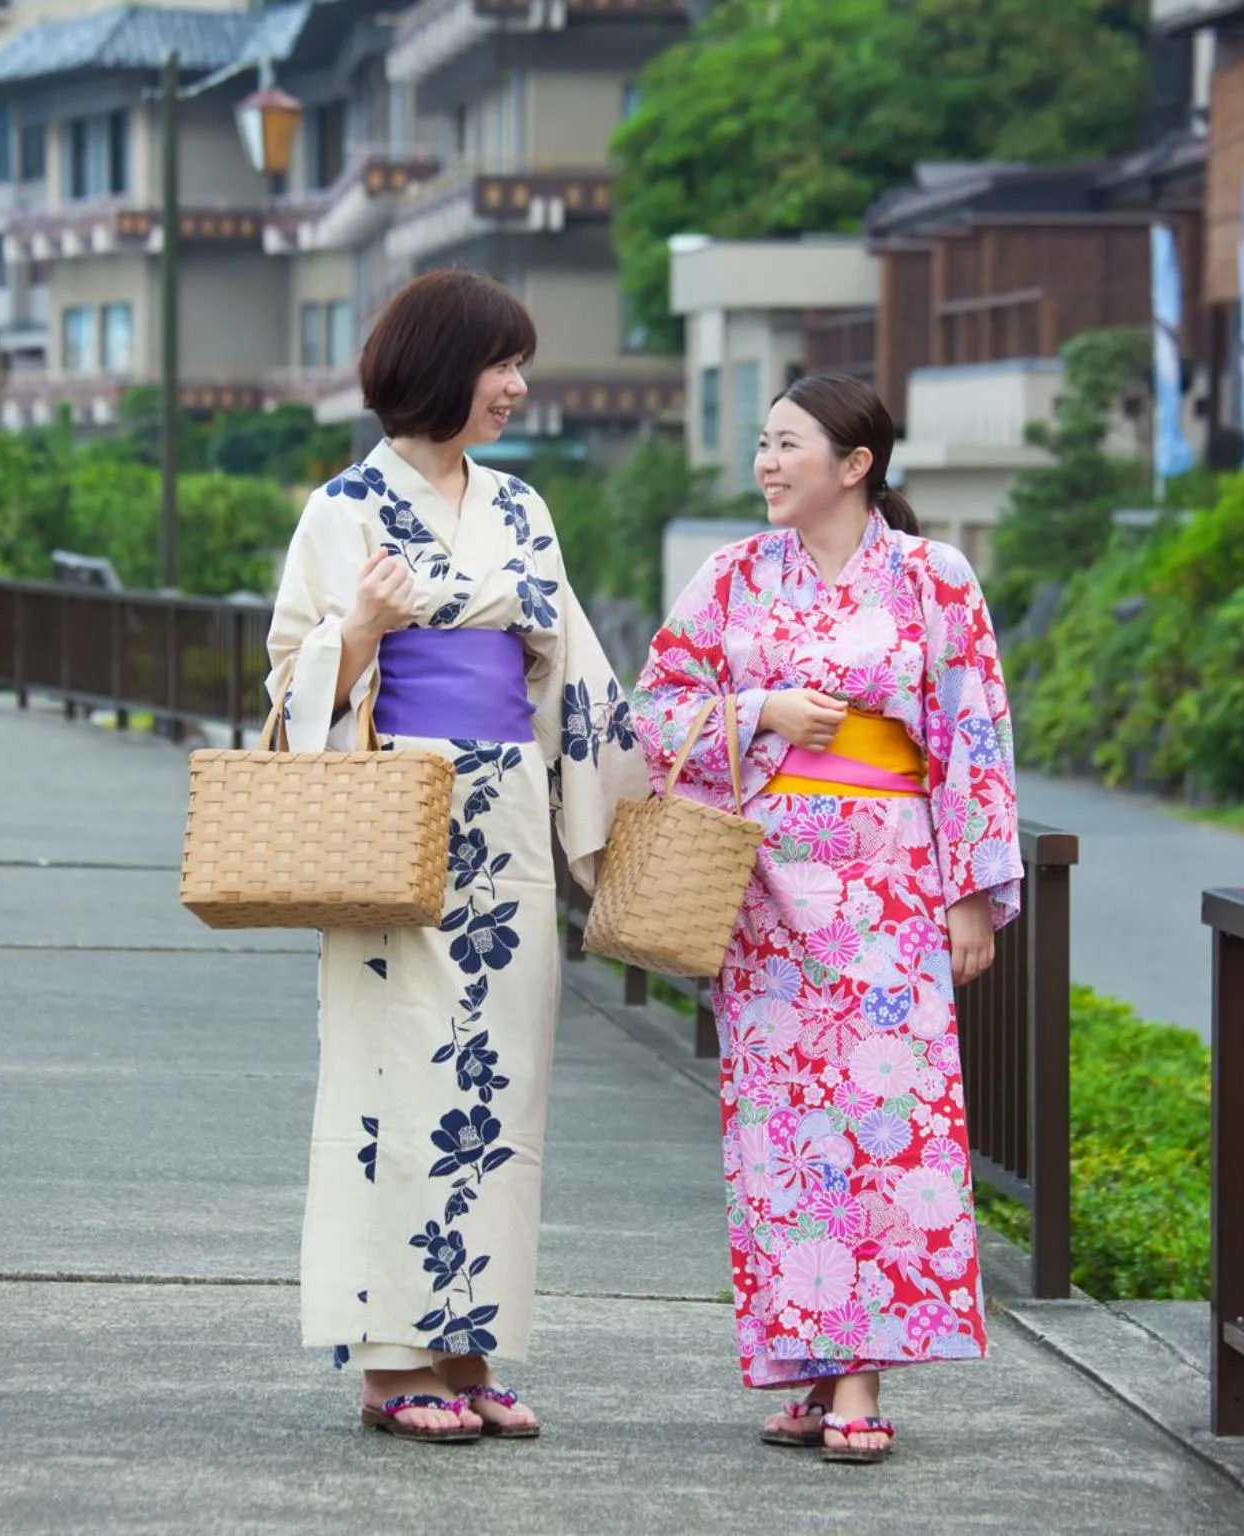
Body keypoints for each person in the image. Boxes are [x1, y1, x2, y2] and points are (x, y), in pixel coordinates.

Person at [268, 268, 644, 1444]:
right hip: (396, 819)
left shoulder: (521, 509)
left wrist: (629, 807)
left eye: (518, 364)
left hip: (506, 824)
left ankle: (466, 1344)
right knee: (393, 1083)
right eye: (499, 364)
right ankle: (390, 1364)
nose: (516, 386)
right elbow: (286, 684)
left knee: (496, 1089)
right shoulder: (342, 509)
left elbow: (574, 674)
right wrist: (361, 630)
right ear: (440, 368)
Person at [631, 373, 1020, 1465]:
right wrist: (761, 709)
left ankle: (860, 1378)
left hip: (891, 886)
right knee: (785, 1137)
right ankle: (807, 1363)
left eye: (786, 444)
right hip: (764, 892)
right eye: (761, 443)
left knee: (886, 1121)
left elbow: (974, 734)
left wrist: (972, 894)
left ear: (855, 464)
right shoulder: (732, 574)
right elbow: (652, 711)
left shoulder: (933, 577)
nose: (765, 463)